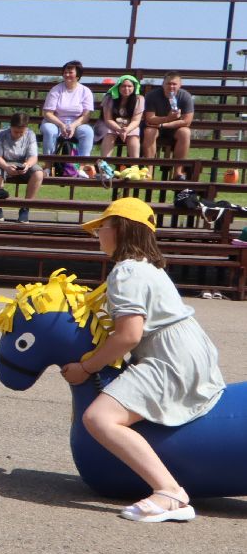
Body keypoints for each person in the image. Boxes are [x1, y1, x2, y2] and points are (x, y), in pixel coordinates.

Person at [62, 198, 226, 522]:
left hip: (168, 356)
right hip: (189, 348)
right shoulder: (148, 267)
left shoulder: (125, 272)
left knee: (99, 418)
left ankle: (170, 493)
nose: (98, 234)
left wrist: (86, 367)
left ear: (120, 229)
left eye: (102, 227)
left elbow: (128, 335)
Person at [40, 60, 96, 172]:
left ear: (78, 75)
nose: (67, 75)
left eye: (70, 72)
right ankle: (48, 165)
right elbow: (47, 113)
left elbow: (86, 116)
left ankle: (81, 167)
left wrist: (74, 126)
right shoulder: (55, 90)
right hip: (55, 122)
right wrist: (61, 125)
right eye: (65, 72)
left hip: (77, 123)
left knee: (88, 132)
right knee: (49, 131)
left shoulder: (86, 91)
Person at [0, 113, 43, 223]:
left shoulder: (30, 134)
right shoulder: (1, 133)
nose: (18, 135)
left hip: (23, 163)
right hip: (3, 162)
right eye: (15, 131)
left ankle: (25, 208)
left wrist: (27, 165)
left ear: (26, 128)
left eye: (21, 132)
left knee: (39, 173)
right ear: (10, 127)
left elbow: (33, 157)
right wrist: (6, 167)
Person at [140, 72, 195, 179]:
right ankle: (149, 171)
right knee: (149, 131)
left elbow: (186, 121)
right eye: (168, 84)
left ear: (180, 85)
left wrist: (163, 124)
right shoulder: (152, 95)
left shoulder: (185, 96)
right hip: (156, 127)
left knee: (185, 132)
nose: (171, 87)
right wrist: (168, 118)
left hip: (171, 127)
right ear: (163, 84)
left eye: (174, 84)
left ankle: (178, 173)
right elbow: (149, 118)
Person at [97, 75, 144, 157]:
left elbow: (136, 120)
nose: (126, 89)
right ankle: (104, 165)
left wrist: (126, 130)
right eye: (123, 86)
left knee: (134, 134)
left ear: (134, 87)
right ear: (118, 87)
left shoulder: (139, 99)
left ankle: (135, 165)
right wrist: (119, 129)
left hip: (129, 125)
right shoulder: (109, 97)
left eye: (129, 86)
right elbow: (108, 119)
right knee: (109, 134)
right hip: (110, 124)